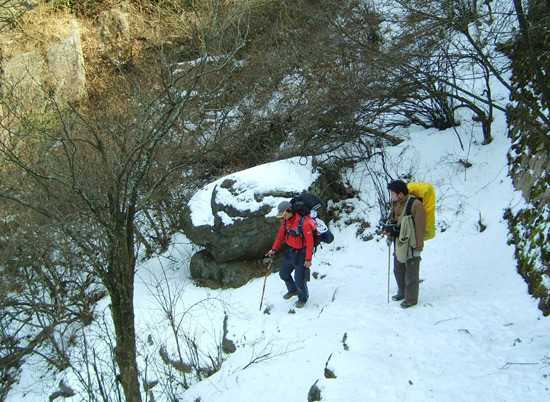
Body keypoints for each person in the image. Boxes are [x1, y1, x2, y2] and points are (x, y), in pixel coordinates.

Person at [267, 200, 315, 308]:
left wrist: (308, 259)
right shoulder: (285, 222)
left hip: (301, 254)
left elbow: (310, 242)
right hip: (289, 252)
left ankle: (303, 297)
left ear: (290, 211)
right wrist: (274, 249)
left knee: (299, 279)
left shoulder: (304, 223)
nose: (283, 217)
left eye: (284, 214)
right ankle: (292, 290)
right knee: (283, 273)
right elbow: (280, 237)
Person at [386, 180, 426, 309]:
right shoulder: (396, 204)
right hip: (399, 241)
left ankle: (411, 298)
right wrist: (389, 237)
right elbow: (393, 222)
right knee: (398, 268)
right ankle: (401, 292)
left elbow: (420, 227)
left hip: (412, 242)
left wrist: (418, 248)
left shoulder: (416, 205)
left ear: (401, 194)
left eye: (393, 193)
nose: (391, 196)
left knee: (411, 271)